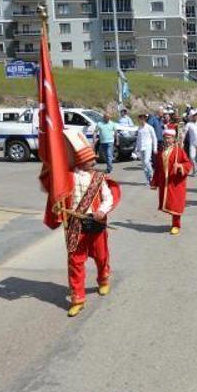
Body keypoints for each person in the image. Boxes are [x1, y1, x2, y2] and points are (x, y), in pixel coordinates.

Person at [63, 134, 121, 317]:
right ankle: (77, 298)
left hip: (95, 222)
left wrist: (102, 211)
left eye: (92, 159)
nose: (93, 162)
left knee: (101, 255)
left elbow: (108, 197)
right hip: (75, 224)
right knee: (75, 261)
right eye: (89, 159)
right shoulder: (68, 176)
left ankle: (103, 280)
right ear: (81, 161)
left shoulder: (98, 177)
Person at [151, 127, 192, 235]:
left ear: (174, 139)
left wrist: (180, 166)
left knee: (176, 204)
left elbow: (188, 164)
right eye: (165, 138)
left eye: (169, 138)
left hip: (176, 182)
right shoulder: (161, 151)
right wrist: (154, 181)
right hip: (165, 182)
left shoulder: (179, 151)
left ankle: (176, 225)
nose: (167, 140)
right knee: (169, 202)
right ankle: (174, 223)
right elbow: (158, 168)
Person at [134, 113, 157, 186]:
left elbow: (154, 138)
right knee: (144, 165)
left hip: (148, 147)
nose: (141, 120)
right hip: (141, 147)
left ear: (145, 119)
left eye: (143, 119)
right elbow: (138, 139)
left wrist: (155, 148)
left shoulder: (149, 127)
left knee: (147, 161)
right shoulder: (139, 128)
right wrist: (136, 148)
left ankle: (152, 175)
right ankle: (148, 180)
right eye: (140, 119)